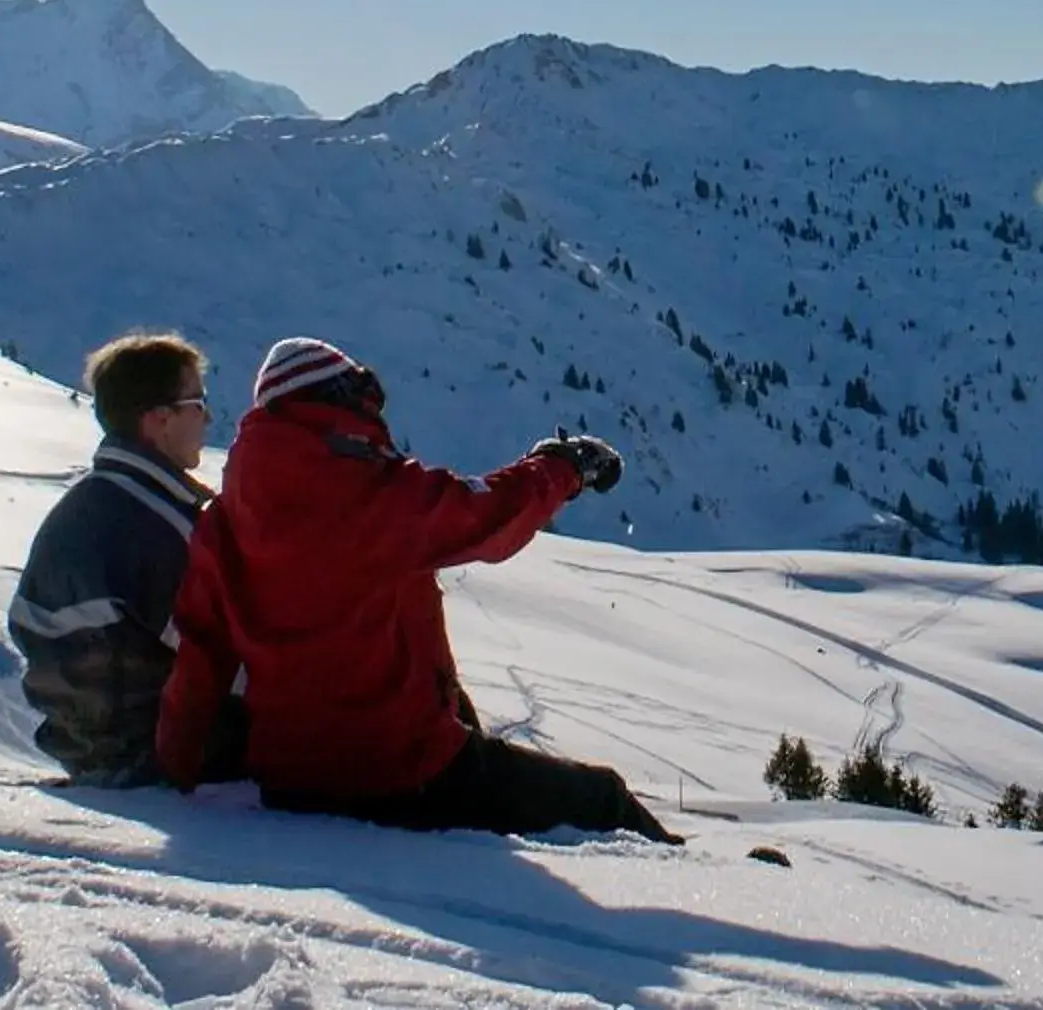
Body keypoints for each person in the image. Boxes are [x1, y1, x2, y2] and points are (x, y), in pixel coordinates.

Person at [156, 335, 677, 841]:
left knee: (475, 733)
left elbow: (201, 651)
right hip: (400, 770)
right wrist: (564, 468)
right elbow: (487, 514)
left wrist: (173, 770)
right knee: (601, 800)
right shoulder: (375, 496)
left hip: (291, 776)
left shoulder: (224, 521)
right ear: (335, 404)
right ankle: (708, 884)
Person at [10, 331, 243, 787]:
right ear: (158, 419)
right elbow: (222, 659)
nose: (209, 416)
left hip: (88, 744)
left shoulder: (90, 507)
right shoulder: (151, 525)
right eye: (197, 402)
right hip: (158, 751)